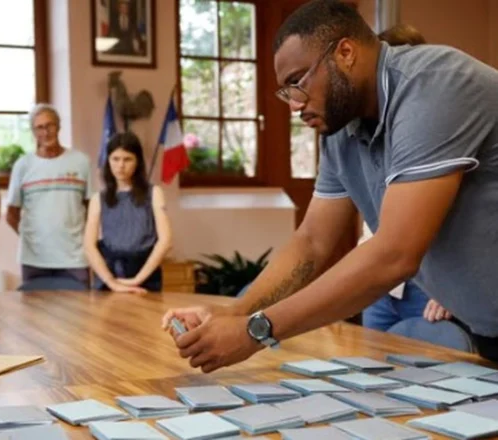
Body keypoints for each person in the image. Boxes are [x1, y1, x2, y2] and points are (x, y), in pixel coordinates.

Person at [163, 0, 498, 371]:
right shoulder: (340, 130)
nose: (293, 105)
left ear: (345, 52)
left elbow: (394, 254)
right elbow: (311, 242)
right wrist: (233, 314)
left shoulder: (434, 85)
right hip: (486, 328)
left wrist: (256, 331)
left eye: (296, 82)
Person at [362, 24, 451, 330]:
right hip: (378, 285)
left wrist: (456, 293)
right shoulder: (367, 131)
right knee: (370, 367)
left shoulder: (444, 129)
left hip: (429, 287)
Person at [6, 104, 93, 288]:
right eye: (39, 127)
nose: (45, 132)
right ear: (33, 132)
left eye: (50, 125)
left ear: (59, 126)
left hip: (74, 260)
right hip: (34, 261)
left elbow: (92, 209)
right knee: (34, 315)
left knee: (80, 314)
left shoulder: (81, 162)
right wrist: (32, 238)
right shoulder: (23, 165)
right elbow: (11, 214)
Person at [84, 132, 172, 293]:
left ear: (137, 161)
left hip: (146, 274)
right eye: (115, 159)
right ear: (108, 161)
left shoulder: (154, 193)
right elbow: (89, 246)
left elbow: (165, 241)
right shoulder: (98, 198)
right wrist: (111, 282)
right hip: (109, 276)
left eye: (127, 159)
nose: (120, 166)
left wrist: (137, 280)